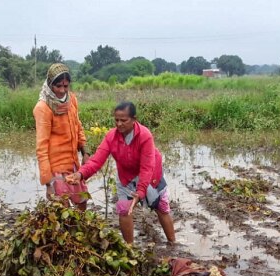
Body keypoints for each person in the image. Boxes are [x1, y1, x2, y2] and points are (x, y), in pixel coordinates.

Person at [66, 102, 176, 244]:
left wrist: (141, 191)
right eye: (116, 120)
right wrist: (80, 174)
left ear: (134, 119)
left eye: (124, 120)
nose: (119, 124)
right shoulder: (111, 136)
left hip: (151, 175)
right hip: (126, 177)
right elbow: (96, 160)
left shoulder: (144, 135)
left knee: (161, 207)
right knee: (124, 210)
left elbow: (147, 167)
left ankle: (173, 243)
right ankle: (129, 249)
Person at [33, 63, 89, 210]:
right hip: (55, 167)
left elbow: (78, 127)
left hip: (73, 163)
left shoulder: (71, 100)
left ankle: (79, 232)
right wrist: (48, 184)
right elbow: (42, 147)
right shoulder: (43, 108)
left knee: (82, 201)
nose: (62, 90)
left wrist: (85, 152)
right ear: (50, 84)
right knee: (62, 208)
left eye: (66, 86)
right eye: (58, 86)